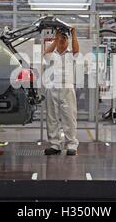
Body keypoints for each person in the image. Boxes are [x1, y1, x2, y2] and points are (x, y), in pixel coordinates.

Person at [43, 27, 80, 156]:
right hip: (52, 88)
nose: (62, 41)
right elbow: (45, 54)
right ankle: (54, 145)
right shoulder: (51, 54)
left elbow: (76, 50)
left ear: (68, 41)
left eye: (65, 39)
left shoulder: (71, 54)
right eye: (61, 39)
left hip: (67, 89)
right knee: (52, 118)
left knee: (69, 118)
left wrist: (74, 34)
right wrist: (56, 39)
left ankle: (71, 145)